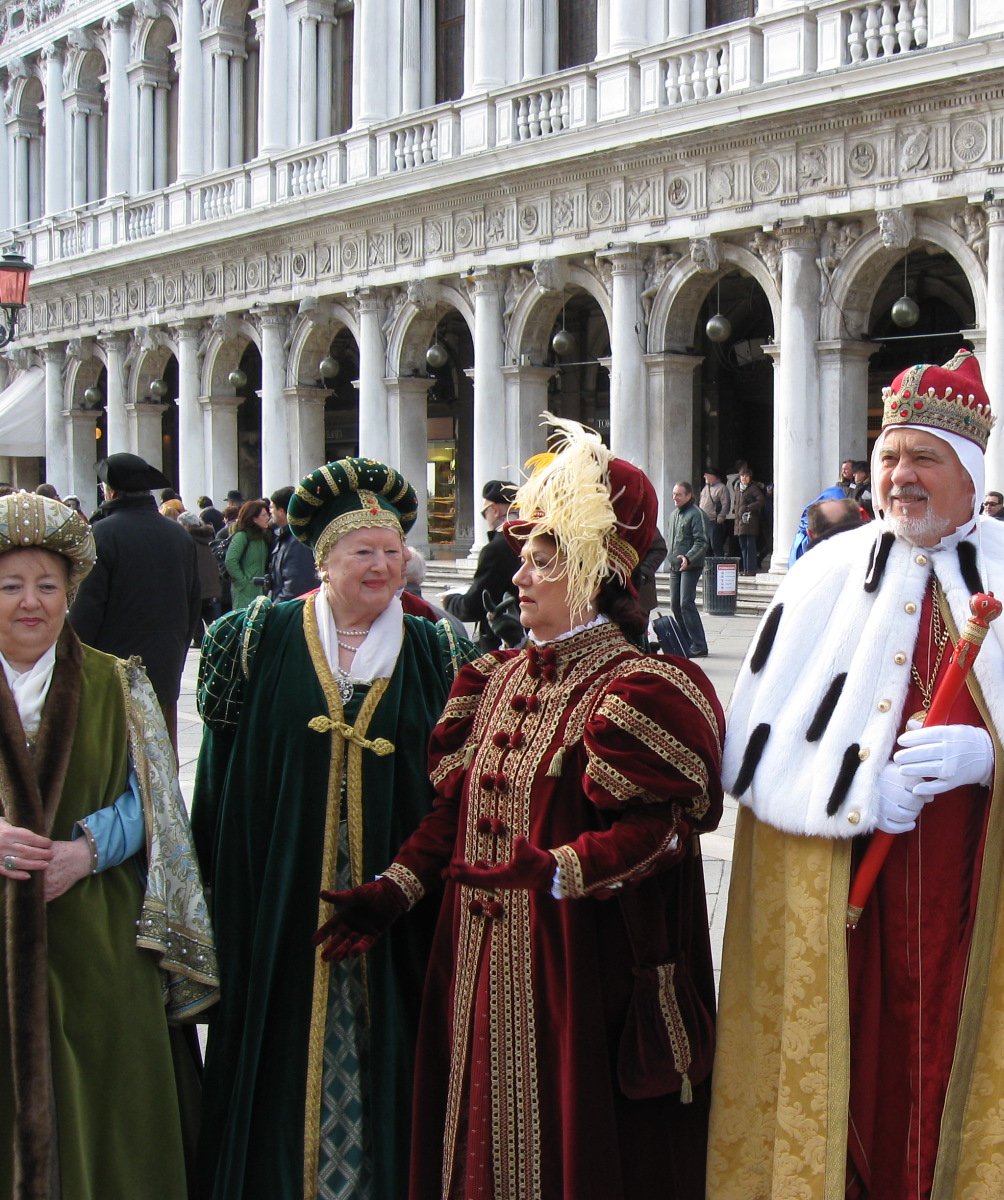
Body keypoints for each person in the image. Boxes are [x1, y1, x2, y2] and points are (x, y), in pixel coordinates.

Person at [709, 351, 1004, 1200]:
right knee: (860, 1076)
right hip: (862, 908)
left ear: (971, 476)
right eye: (889, 457)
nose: (900, 477)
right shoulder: (820, 578)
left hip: (985, 903)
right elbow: (771, 764)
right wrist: (849, 790)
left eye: (924, 459)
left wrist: (997, 762)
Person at [315, 420, 725, 1200]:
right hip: (474, 958)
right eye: (523, 559)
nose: (519, 579)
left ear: (599, 572)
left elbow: (663, 831)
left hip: (580, 965)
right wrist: (394, 890)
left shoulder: (641, 688)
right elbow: (453, 814)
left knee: (578, 1148)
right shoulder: (494, 677)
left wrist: (563, 869)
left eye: (544, 561)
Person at [189, 457, 478, 1200]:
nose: (383, 566)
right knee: (280, 1048)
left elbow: (463, 791)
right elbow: (218, 782)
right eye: (364, 552)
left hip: (397, 911)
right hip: (280, 906)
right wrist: (211, 896)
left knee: (396, 1045)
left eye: (392, 551)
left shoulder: (440, 651)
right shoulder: (251, 639)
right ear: (324, 560)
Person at [0, 492, 218, 1199]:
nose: (30, 602)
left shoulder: (117, 683)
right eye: (10, 586)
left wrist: (85, 851)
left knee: (107, 1097)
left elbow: (153, 803)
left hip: (96, 928)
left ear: (71, 593)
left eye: (47, 586)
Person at [69, 452, 201, 742]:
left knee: (115, 759)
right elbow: (193, 604)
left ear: (112, 491)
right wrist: (176, 651)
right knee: (161, 756)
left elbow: (87, 610)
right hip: (164, 665)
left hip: (112, 672)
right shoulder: (179, 535)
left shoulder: (102, 534)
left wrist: (75, 660)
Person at [453, 480, 522, 650]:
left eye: (485, 513)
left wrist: (451, 601)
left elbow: (475, 606)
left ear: (495, 509)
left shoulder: (497, 548)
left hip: (506, 639)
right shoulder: (532, 537)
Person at [667, 479, 711, 657]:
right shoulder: (673, 515)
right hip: (674, 567)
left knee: (686, 603)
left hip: (690, 566)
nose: (675, 498)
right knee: (674, 604)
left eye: (678, 494)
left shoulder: (697, 514)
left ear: (688, 495)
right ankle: (686, 642)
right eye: (673, 494)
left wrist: (688, 557)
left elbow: (702, 542)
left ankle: (699, 644)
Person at [180, 509, 225, 641]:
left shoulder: (188, 538)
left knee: (195, 610)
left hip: (197, 581)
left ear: (186, 525)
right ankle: (219, 634)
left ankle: (199, 638)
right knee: (207, 609)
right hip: (210, 581)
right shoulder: (208, 535)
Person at [268, 485, 318, 601]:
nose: (270, 512)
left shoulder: (297, 541)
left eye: (271, 508)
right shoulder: (284, 536)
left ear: (281, 511)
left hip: (292, 610)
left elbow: (295, 586)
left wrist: (275, 610)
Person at [223, 498, 273, 610]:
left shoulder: (262, 537)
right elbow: (230, 560)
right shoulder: (242, 536)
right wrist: (243, 582)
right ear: (254, 519)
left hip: (260, 590)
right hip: (245, 592)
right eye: (264, 515)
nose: (267, 518)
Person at [730, 463, 764, 575]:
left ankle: (751, 569)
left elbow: (761, 501)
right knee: (743, 547)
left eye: (746, 476)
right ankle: (745, 569)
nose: (744, 478)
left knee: (750, 547)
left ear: (750, 478)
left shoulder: (753, 488)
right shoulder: (738, 489)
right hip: (739, 522)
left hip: (750, 521)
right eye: (742, 476)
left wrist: (749, 507)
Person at [698, 467, 731, 557]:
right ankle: (709, 568)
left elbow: (725, 504)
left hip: (714, 521)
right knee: (706, 546)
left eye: (706, 475)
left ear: (713, 476)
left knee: (715, 545)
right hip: (704, 521)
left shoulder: (721, 488)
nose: (704, 476)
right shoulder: (705, 488)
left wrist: (720, 518)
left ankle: (718, 567)